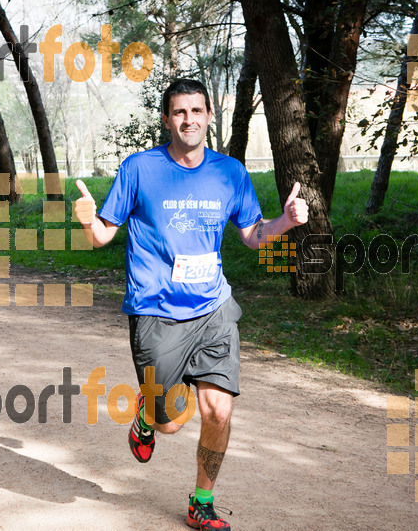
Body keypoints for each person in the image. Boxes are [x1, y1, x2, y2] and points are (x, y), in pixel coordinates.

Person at [74, 78, 308, 531]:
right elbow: (103, 234)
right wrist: (88, 221)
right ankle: (149, 410)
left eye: (196, 111)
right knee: (170, 425)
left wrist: (284, 222)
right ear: (167, 119)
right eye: (179, 112)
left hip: (214, 308)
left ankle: (202, 501)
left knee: (219, 409)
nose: (189, 120)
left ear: (209, 116)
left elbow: (253, 236)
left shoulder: (230, 172)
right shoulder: (140, 169)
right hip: (156, 313)